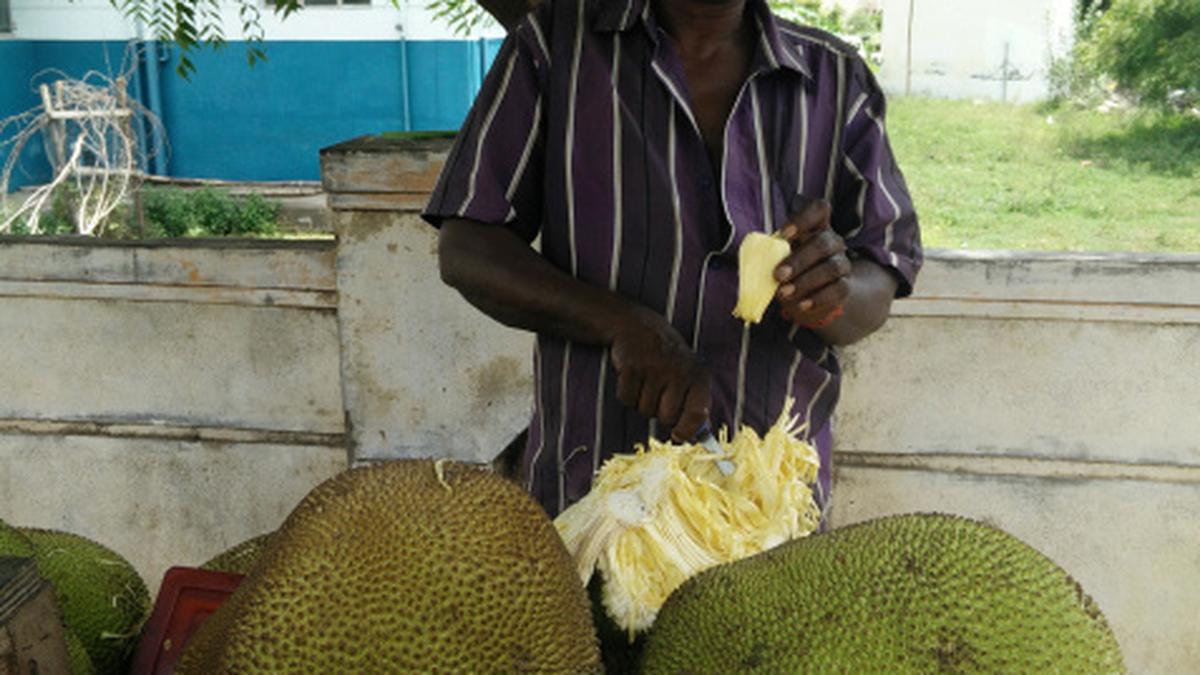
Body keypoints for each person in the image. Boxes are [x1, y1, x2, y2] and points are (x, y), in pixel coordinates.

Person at [424, 0, 921, 521]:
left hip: (767, 507)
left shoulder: (837, 80)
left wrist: (834, 296)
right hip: (592, 495)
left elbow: (881, 271)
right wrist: (620, 324)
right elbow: (468, 246)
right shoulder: (554, 48)